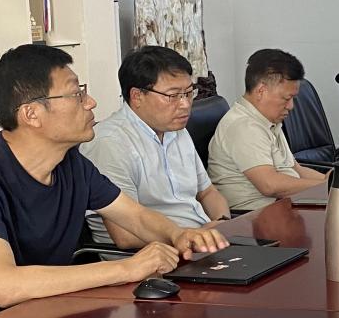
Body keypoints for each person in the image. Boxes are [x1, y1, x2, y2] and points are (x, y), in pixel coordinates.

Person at [0, 45, 228, 318]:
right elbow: (4, 286)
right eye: (76, 94)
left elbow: (134, 216)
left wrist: (178, 234)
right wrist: (128, 268)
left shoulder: (70, 164)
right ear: (31, 114)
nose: (91, 103)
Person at [81, 46, 231, 245]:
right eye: (173, 96)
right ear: (137, 96)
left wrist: (222, 224)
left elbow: (208, 192)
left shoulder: (177, 130)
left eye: (188, 93)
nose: (186, 104)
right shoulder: (110, 143)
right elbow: (126, 237)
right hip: (153, 253)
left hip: (199, 241)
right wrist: (191, 236)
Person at [208, 48, 327, 212]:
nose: (291, 106)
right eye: (286, 98)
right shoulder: (244, 126)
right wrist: (327, 187)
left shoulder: (268, 121)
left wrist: (332, 181)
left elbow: (296, 170)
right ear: (261, 91)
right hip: (254, 217)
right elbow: (270, 185)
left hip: (283, 207)